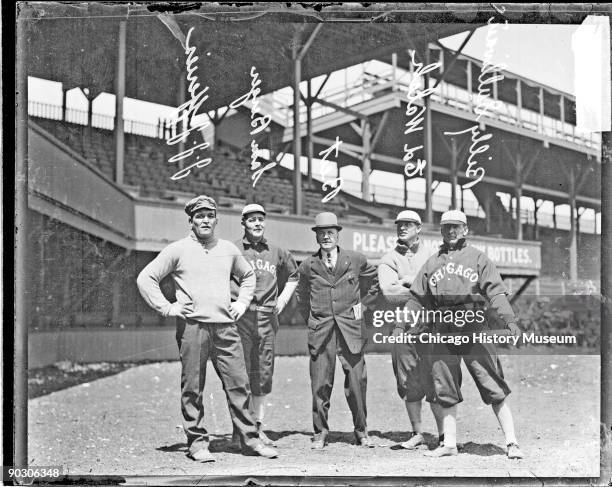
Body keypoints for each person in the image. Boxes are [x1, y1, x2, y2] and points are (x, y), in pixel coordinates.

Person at [136, 195, 278, 462]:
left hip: (226, 326)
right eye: (199, 216)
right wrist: (168, 308)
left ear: (216, 220)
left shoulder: (227, 248)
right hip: (193, 326)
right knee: (193, 386)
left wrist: (243, 302)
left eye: (209, 216)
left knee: (239, 384)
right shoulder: (177, 249)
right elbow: (146, 278)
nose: (205, 220)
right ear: (191, 221)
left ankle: (250, 440)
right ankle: (197, 443)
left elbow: (248, 276)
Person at [399, 210, 524, 459]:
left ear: (465, 230)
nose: (451, 231)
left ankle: (512, 443)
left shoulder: (478, 258)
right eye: (447, 228)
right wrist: (401, 326)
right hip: (443, 326)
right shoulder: (432, 262)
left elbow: (496, 293)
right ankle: (449, 444)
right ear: (441, 231)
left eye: (456, 227)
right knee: (444, 384)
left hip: (473, 322)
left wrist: (510, 320)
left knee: (492, 383)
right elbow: (417, 299)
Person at [295, 212, 378, 450]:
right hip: (322, 332)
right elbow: (301, 297)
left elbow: (373, 283)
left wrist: (363, 306)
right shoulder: (308, 265)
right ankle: (320, 432)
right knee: (320, 384)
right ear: (317, 236)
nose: (326, 237)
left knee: (356, 383)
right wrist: (314, 318)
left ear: (338, 234)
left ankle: (362, 431)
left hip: (351, 331)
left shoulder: (355, 259)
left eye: (330, 232)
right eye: (322, 233)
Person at [231, 203, 299, 447]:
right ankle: (239, 430)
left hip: (267, 317)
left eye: (261, 219)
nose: (257, 223)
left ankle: (258, 427)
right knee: (240, 374)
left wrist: (282, 299)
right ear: (244, 223)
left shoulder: (276, 250)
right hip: (241, 317)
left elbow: (294, 275)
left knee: (263, 374)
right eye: (252, 220)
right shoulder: (233, 249)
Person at [378, 210, 444, 450]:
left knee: (437, 379)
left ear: (419, 228)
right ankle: (417, 433)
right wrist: (422, 286)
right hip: (402, 328)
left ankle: (443, 435)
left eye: (408, 224)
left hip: (432, 326)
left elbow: (442, 289)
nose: (402, 228)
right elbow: (390, 294)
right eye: (399, 225)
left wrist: (408, 280)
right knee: (407, 381)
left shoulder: (434, 255)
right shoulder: (389, 258)